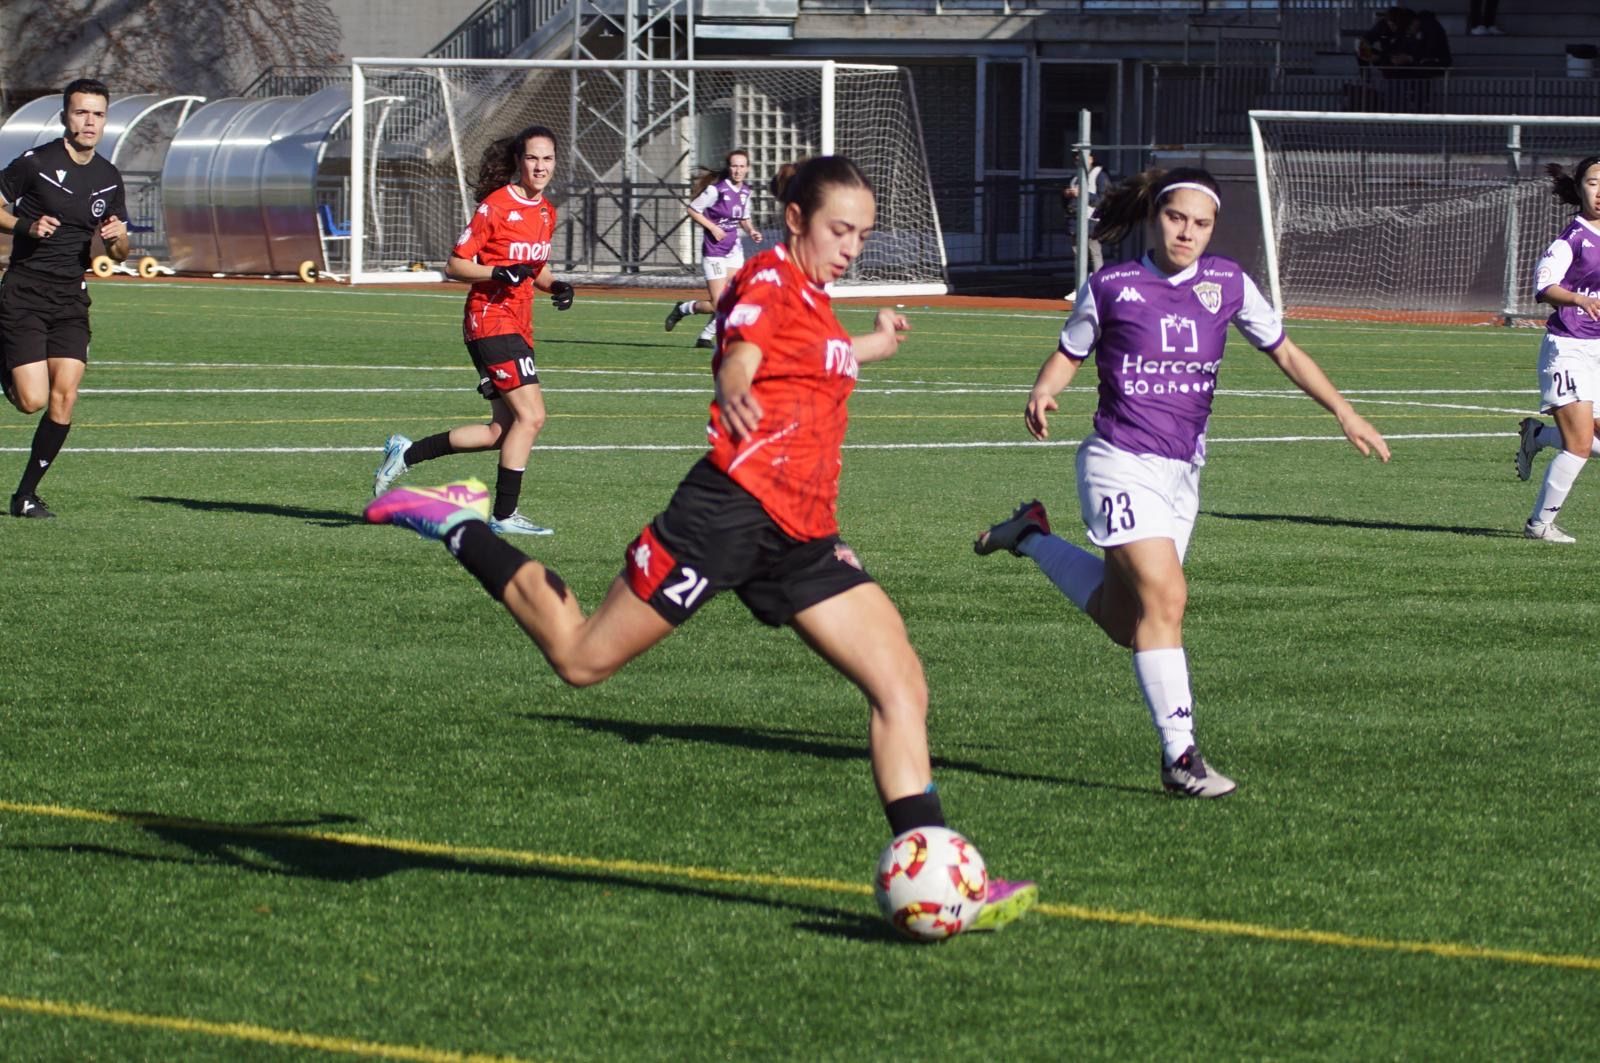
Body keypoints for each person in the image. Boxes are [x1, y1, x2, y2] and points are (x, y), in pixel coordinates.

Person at [367, 155, 1036, 930]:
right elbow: (744, 349)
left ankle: (943, 866)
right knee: (581, 659)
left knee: (901, 686)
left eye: (863, 233)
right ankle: (459, 522)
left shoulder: (815, 301)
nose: (853, 246)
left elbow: (822, 360)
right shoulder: (767, 280)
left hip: (803, 535)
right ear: (796, 220)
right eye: (840, 229)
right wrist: (734, 384)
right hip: (728, 515)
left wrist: (879, 341)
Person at [974, 166, 1390, 797]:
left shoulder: (1226, 283)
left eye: (1201, 223)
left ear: (1213, 227)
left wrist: (1344, 410)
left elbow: (1285, 350)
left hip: (1181, 473)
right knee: (1167, 599)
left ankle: (1029, 536)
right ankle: (1181, 757)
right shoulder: (1112, 285)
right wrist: (1045, 388)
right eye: (1176, 218)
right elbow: (1069, 351)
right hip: (1117, 461)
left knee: (1130, 623)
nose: (1187, 232)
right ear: (1154, 216)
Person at [372, 125, 575, 535]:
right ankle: (503, 516)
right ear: (519, 161)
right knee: (533, 417)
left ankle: (407, 453)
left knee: (501, 431)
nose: (540, 166)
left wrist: (556, 285)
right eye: (533, 158)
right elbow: (456, 264)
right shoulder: (495, 207)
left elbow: (534, 268)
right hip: (490, 320)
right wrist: (497, 271)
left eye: (547, 159)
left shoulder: (546, 212)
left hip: (519, 324)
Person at [0, 78, 128, 520]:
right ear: (64, 117)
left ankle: (26, 496)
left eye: (97, 114)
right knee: (30, 401)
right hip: (25, 292)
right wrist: (24, 226)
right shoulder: (35, 163)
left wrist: (117, 240)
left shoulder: (109, 177)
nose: (88, 121)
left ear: (105, 120)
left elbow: (121, 250)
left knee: (64, 397)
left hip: (71, 299)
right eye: (80, 112)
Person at [1512, 158, 1600, 543]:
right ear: (1579, 189)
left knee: (1585, 442)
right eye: (1594, 182)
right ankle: (1539, 525)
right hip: (1568, 347)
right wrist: (1577, 299)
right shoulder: (1572, 240)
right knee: (1580, 445)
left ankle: (1539, 437)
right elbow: (1545, 288)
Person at [664, 149, 763, 349]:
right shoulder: (716, 190)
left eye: (742, 166)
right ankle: (684, 308)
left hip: (734, 250)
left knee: (735, 299)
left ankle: (705, 337)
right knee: (719, 304)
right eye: (734, 166)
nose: (738, 170)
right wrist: (713, 227)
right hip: (714, 252)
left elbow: (743, 217)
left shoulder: (746, 191)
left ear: (748, 168)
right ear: (729, 168)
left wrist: (751, 230)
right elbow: (692, 209)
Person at [1062, 150, 1107, 275]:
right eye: (1076, 159)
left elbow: (1103, 200)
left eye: (1082, 158)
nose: (1078, 161)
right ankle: (1080, 287)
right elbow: (1067, 201)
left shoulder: (1099, 175)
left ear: (1092, 159)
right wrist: (1067, 194)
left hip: (1091, 220)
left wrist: (1083, 194)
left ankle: (1098, 286)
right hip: (1075, 219)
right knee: (1078, 255)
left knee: (1094, 252)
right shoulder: (1075, 177)